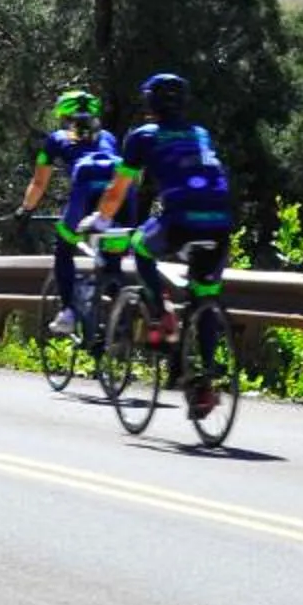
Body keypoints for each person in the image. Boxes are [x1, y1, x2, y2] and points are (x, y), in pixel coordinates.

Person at [88, 73, 239, 419]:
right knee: (205, 296)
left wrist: (99, 221)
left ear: (149, 103)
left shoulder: (142, 137)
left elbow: (118, 190)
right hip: (220, 224)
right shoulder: (201, 133)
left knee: (141, 248)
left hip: (180, 220)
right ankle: (205, 381)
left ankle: (161, 316)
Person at [20, 91, 118, 338]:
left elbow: (39, 183)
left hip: (84, 197)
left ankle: (68, 313)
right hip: (117, 198)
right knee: (111, 250)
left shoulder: (56, 139)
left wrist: (25, 209)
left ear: (64, 116)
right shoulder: (109, 137)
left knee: (64, 248)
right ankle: (119, 312)